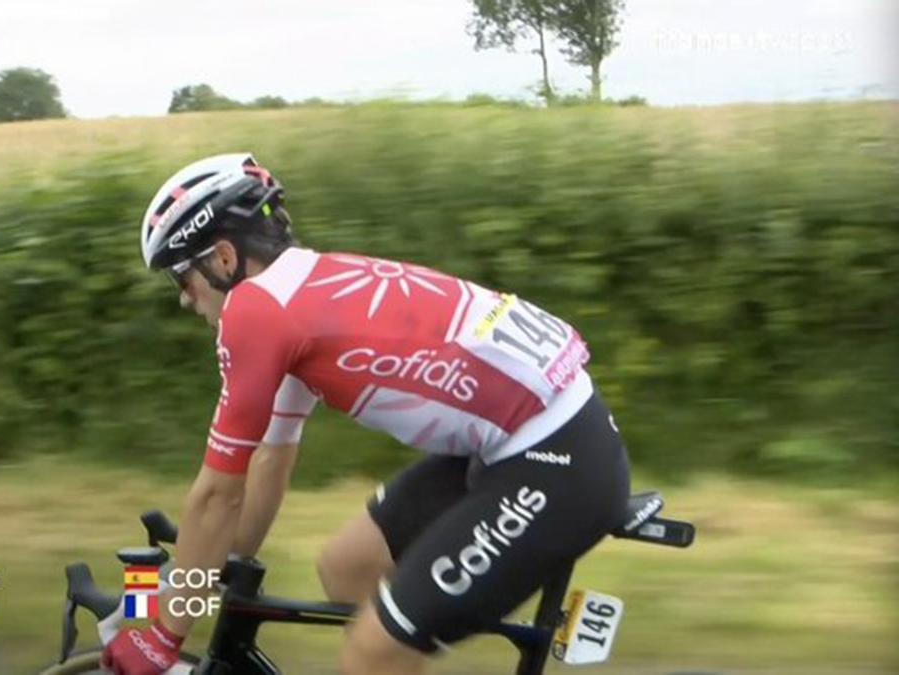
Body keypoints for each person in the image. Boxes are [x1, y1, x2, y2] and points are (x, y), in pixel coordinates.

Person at [101, 153, 631, 675]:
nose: (184, 300)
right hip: (523, 441)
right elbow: (264, 470)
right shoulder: (301, 294)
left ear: (222, 259)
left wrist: (161, 636)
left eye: (180, 279)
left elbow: (219, 495)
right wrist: (186, 577)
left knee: (370, 654)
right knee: (349, 569)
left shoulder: (256, 312)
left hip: (558, 461)